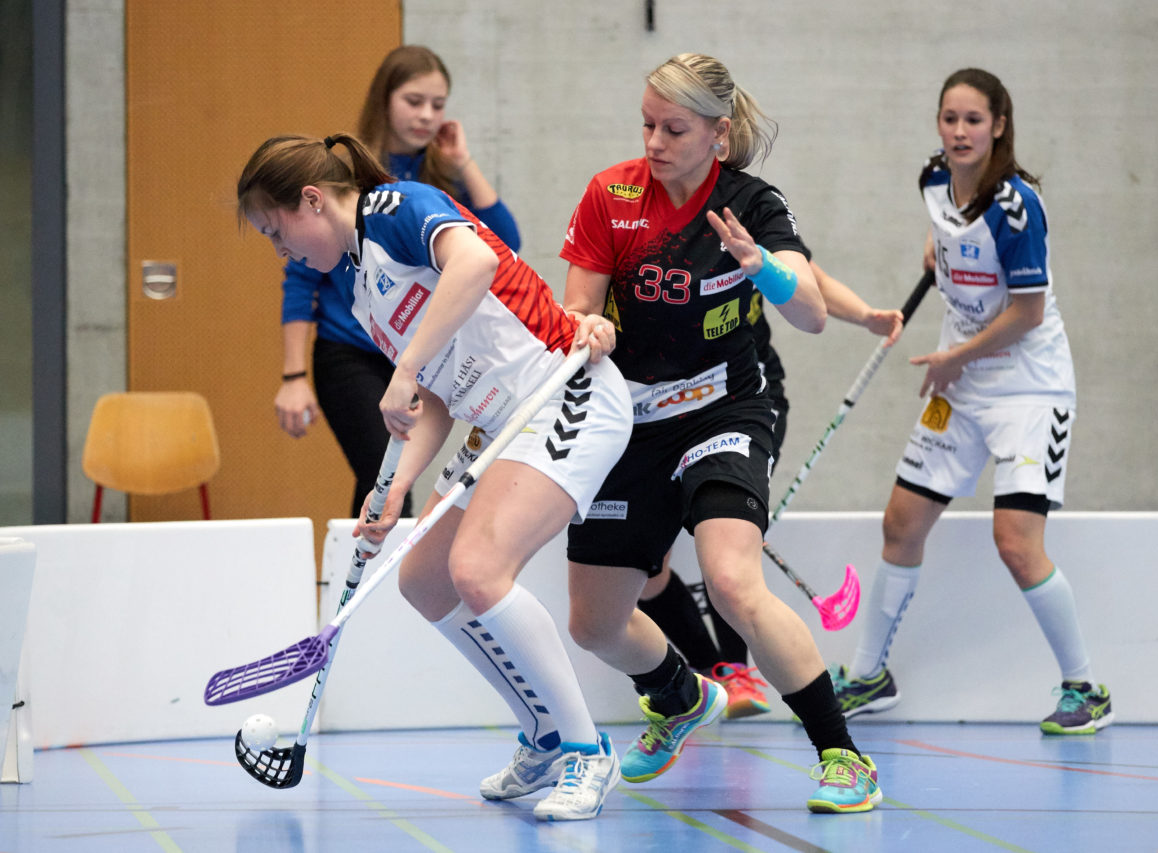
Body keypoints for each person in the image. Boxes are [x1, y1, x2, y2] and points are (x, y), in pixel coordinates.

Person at [236, 132, 633, 820]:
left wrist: (405, 368)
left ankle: (587, 749)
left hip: (564, 391)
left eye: (277, 232)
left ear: (310, 201)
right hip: (499, 426)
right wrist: (392, 489)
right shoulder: (361, 293)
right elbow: (442, 402)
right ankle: (540, 732)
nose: (283, 251)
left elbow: (474, 261)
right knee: (424, 576)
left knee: (479, 568)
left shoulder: (396, 205)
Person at [558, 53, 882, 814]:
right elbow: (577, 304)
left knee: (734, 581)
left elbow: (808, 311)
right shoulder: (611, 196)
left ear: (718, 135)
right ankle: (679, 694)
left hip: (724, 408)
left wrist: (761, 266)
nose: (654, 141)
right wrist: (586, 329)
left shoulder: (752, 204)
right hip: (629, 420)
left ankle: (842, 755)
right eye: (646, 124)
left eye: (674, 128)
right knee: (593, 621)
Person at [832, 68, 1113, 736]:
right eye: (949, 118)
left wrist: (956, 356)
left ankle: (1086, 687)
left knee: (1015, 542)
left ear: (999, 126)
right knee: (901, 523)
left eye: (973, 121)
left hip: (1027, 389)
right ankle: (870, 675)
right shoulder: (935, 181)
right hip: (959, 387)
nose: (959, 132)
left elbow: (1027, 310)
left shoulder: (1018, 208)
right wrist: (940, 257)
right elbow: (947, 238)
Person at [638, 266, 903, 720]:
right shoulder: (637, 224)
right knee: (645, 568)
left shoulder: (744, 215)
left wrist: (866, 316)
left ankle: (732, 671)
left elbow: (808, 278)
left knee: (721, 538)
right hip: (655, 406)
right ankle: (710, 674)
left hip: (741, 404)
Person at [273, 45, 521, 518]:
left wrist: (463, 162)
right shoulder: (342, 173)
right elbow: (301, 278)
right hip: (351, 353)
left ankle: (368, 573)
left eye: (438, 104)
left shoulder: (438, 172)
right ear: (384, 99)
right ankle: (364, 580)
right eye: (414, 101)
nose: (427, 115)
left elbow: (504, 244)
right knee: (381, 475)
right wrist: (293, 376)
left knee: (389, 481)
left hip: (422, 351)